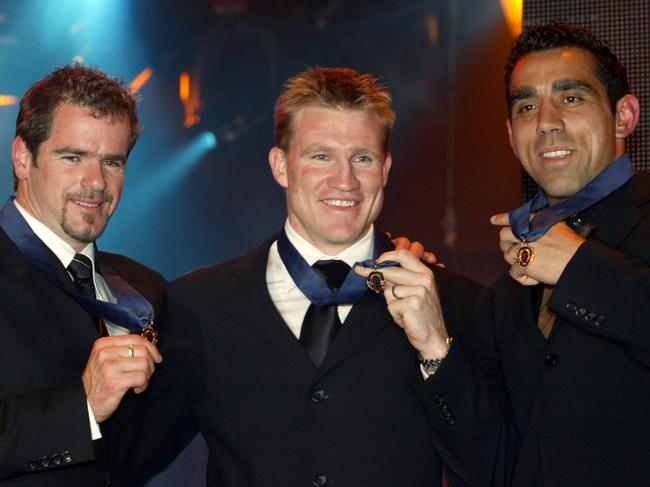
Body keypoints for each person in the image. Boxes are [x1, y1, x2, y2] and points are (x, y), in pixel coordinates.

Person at [158, 67, 504, 487]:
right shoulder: (199, 303)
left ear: (385, 169)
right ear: (281, 166)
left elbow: (494, 469)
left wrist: (436, 349)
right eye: (321, 156)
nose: (345, 180)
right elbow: (128, 459)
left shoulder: (456, 301)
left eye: (363, 158)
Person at [488, 22, 650, 486]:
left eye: (571, 98)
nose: (546, 122)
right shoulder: (507, 282)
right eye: (526, 105)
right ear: (511, 133)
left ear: (623, 116)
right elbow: (488, 453)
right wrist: (433, 343)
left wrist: (577, 267)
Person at [0, 65, 165, 486]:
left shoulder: (146, 289)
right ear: (22, 157)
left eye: (112, 162)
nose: (96, 182)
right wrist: (84, 406)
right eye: (72, 157)